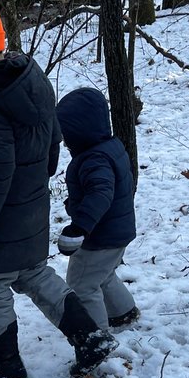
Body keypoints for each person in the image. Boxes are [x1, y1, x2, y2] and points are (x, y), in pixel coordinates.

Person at [0, 0, 116, 378]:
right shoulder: (30, 76)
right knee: (35, 274)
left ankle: (4, 361)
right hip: (31, 202)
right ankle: (90, 337)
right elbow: (52, 137)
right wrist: (39, 179)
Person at [55, 86, 139, 330]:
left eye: (67, 132)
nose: (65, 139)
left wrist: (79, 226)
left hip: (99, 235)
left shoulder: (94, 159)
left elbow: (101, 193)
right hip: (118, 231)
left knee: (82, 284)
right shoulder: (110, 146)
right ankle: (124, 313)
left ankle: (96, 338)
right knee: (104, 275)